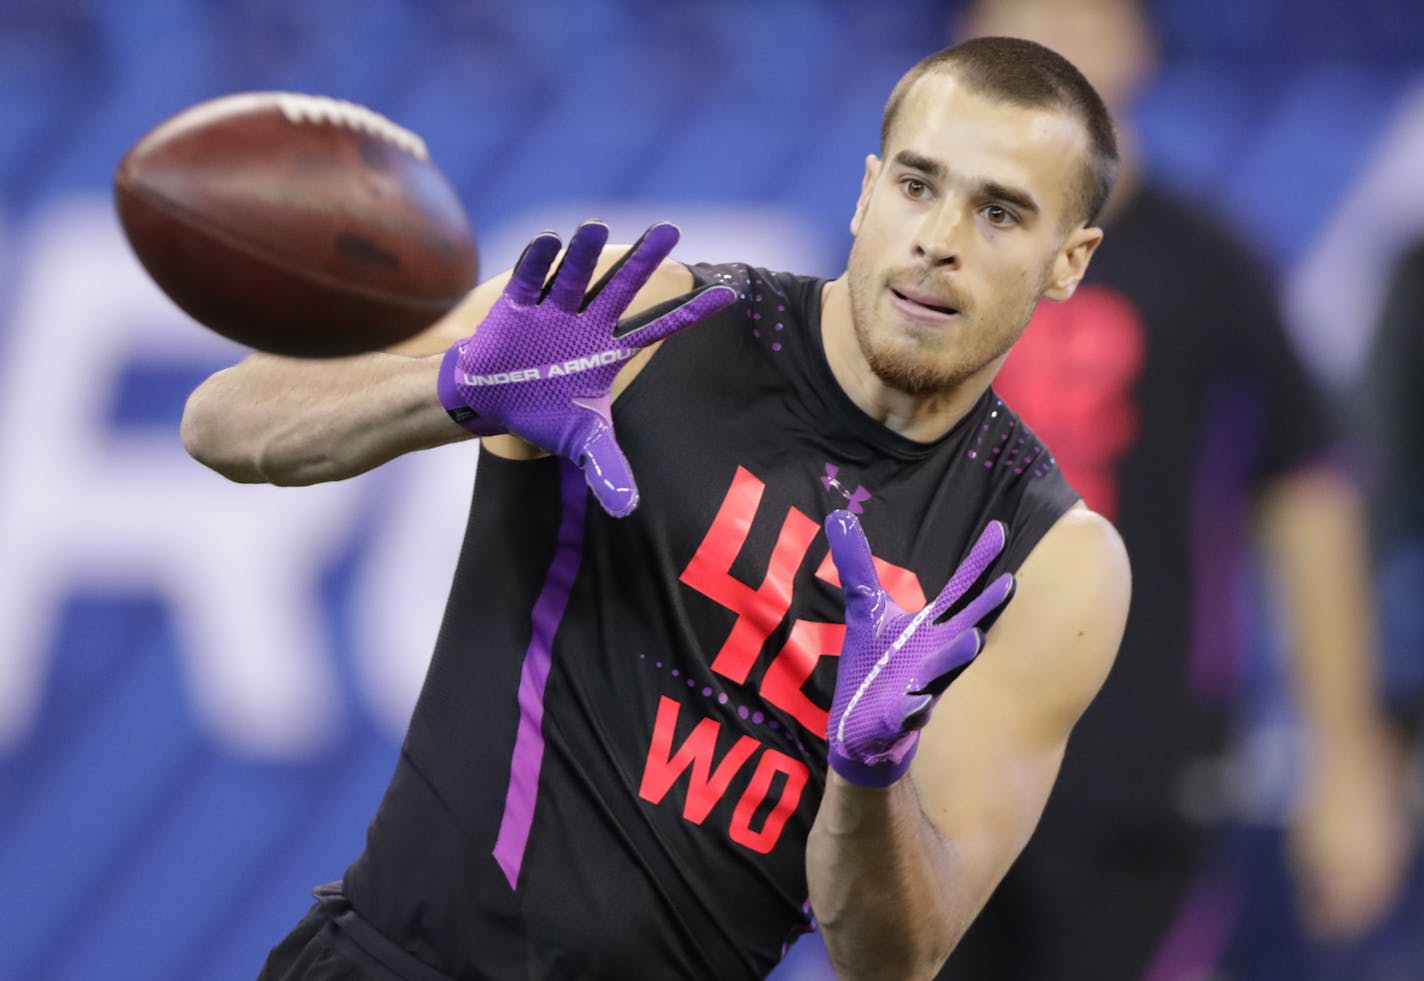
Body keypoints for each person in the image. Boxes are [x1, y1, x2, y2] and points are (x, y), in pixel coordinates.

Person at [181, 37, 1131, 981]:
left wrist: (867, 773)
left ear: (1069, 260)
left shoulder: (1048, 562)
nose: (940, 239)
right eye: (918, 186)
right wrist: (458, 386)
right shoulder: (646, 325)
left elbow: (892, 959)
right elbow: (224, 423)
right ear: (867, 191)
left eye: (999, 212)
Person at [936, 2, 1411, 979]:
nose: (1049, 50)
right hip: (927, 760)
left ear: (1136, 47)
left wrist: (1346, 760)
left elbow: (1306, 501)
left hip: (1138, 773)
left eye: (1077, 21)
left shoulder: (1208, 269)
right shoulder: (913, 265)